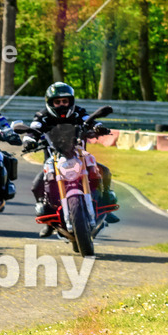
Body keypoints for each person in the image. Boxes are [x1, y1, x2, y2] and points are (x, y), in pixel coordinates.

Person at [27, 82, 118, 237]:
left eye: (65, 101)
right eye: (57, 102)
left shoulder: (78, 112)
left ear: (71, 101)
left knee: (104, 171)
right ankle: (49, 220)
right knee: (37, 184)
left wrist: (98, 127)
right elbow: (34, 127)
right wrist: (29, 139)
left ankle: (106, 207)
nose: (62, 105)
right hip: (54, 160)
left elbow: (90, 120)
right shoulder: (42, 116)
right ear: (50, 103)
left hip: (79, 156)